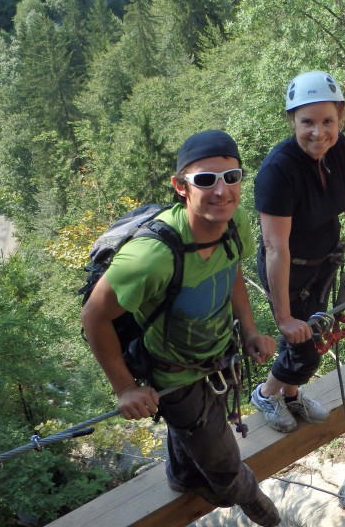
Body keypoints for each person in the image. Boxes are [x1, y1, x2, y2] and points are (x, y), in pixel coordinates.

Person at [82, 130, 280, 526]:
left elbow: (232, 269)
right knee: (225, 470)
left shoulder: (234, 221)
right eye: (205, 180)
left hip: (219, 357)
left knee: (194, 437)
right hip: (173, 373)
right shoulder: (151, 257)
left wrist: (249, 329)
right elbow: (94, 317)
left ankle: (182, 475)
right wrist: (125, 387)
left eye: (232, 177)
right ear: (181, 186)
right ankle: (254, 500)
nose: (221, 191)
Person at [252, 70, 345, 430]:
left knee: (311, 340)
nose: (319, 132)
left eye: (327, 121)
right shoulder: (278, 171)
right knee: (305, 351)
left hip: (321, 265)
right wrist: (284, 317)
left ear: (340, 118)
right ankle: (267, 394)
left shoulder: (336, 152)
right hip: (287, 269)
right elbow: (275, 247)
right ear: (292, 121)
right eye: (307, 123)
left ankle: (289, 395)